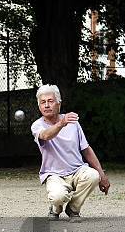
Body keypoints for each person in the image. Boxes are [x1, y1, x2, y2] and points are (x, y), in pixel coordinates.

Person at [30, 84, 110, 222]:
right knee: (57, 197)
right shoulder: (37, 125)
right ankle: (55, 209)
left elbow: (86, 149)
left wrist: (102, 175)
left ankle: (73, 209)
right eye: (43, 102)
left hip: (77, 170)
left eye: (50, 101)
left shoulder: (73, 123)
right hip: (54, 174)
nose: (47, 105)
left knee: (93, 175)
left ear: (59, 104)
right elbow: (46, 136)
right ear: (39, 107)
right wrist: (61, 124)